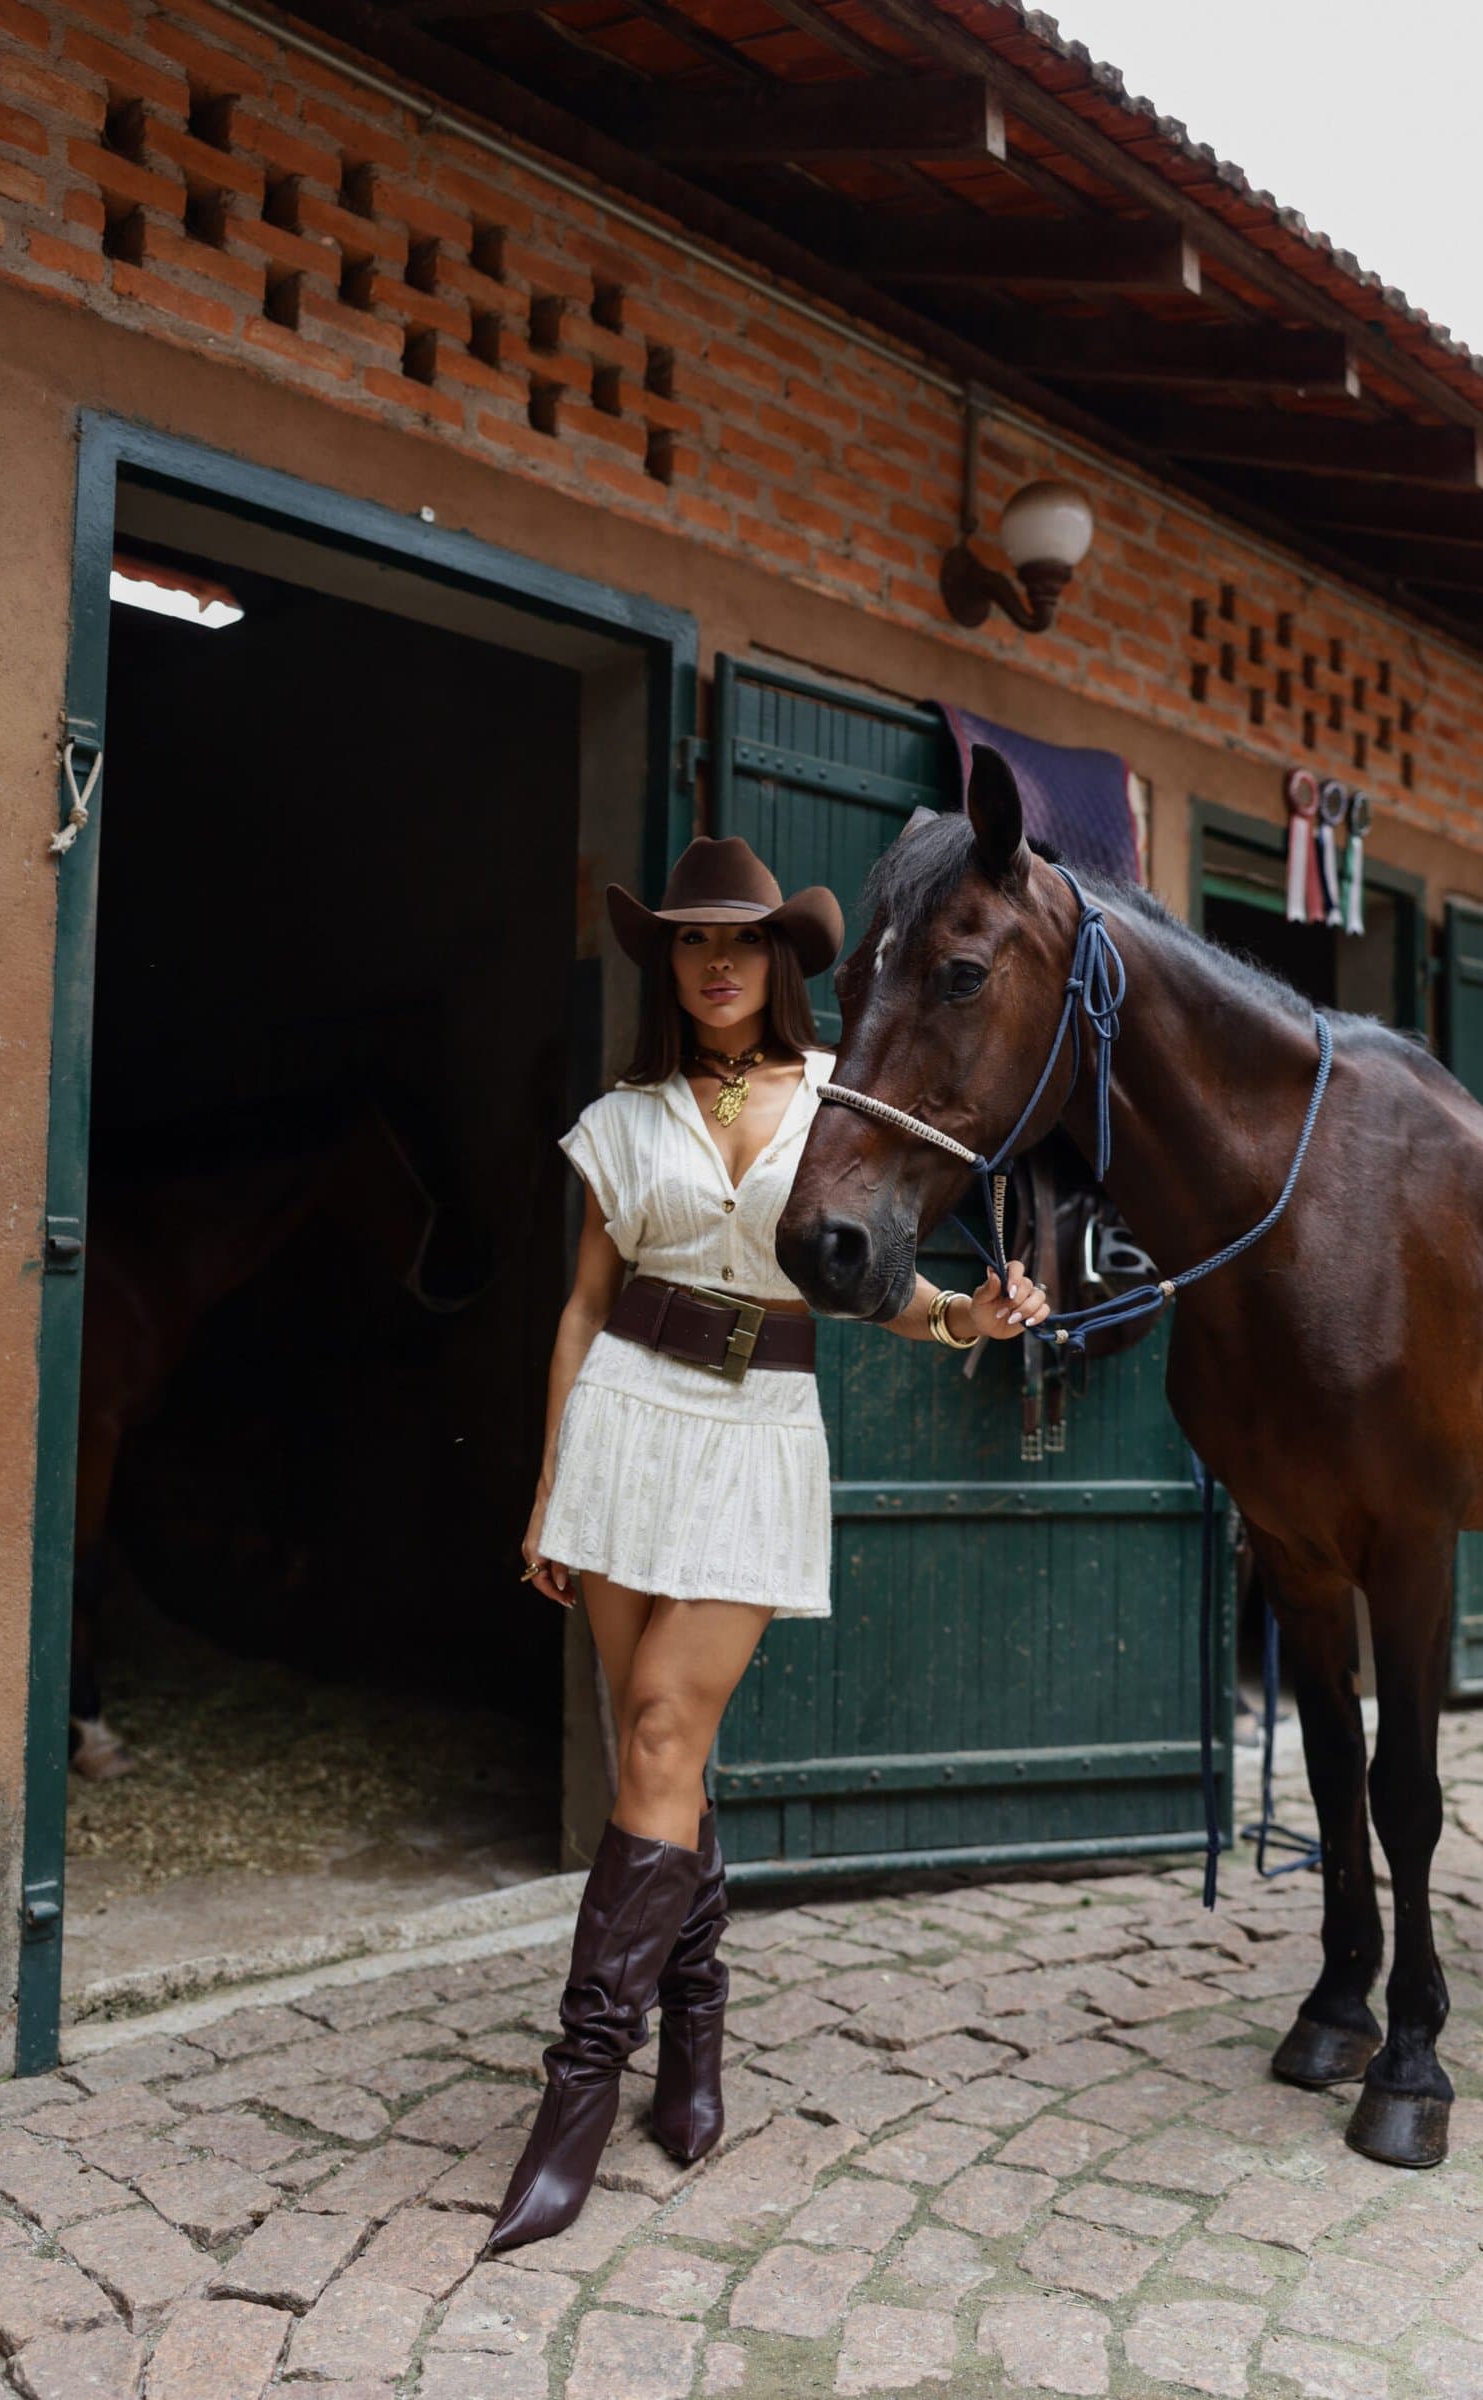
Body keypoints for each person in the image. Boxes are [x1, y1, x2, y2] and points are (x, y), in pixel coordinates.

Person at [491, 836, 1049, 2253]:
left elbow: (885, 1288)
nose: (718, 962)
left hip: (756, 1433)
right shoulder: (625, 1118)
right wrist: (553, 1480)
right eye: (689, 941)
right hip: (626, 1418)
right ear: (666, 965)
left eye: (742, 940)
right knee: (653, 1753)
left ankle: (573, 2097)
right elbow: (580, 1307)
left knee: (670, 1728)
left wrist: (963, 1322)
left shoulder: (839, 1104)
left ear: (784, 960)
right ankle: (694, 2036)